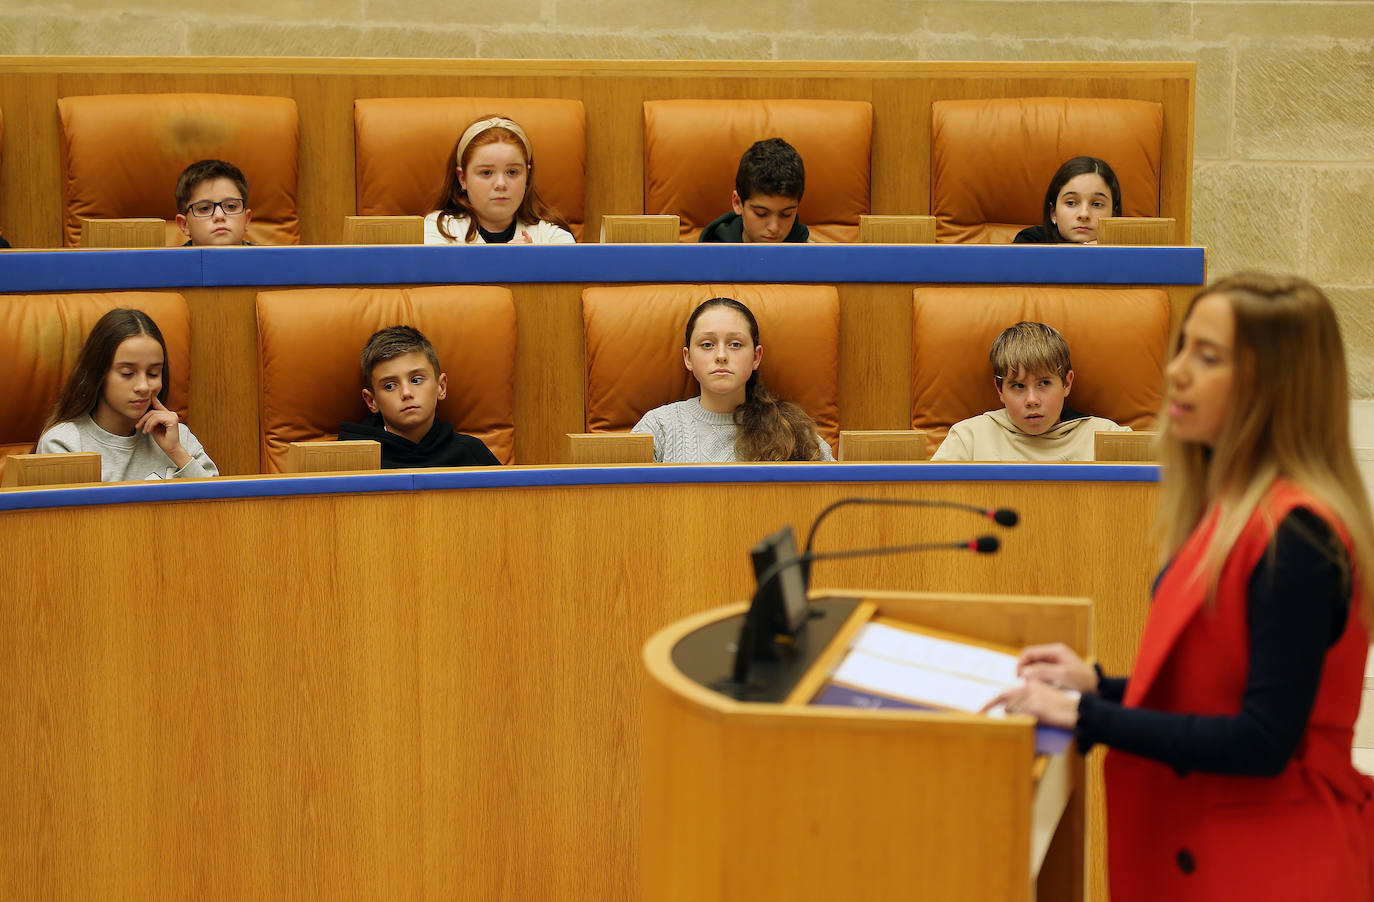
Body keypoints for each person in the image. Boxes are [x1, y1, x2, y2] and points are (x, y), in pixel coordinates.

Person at [988, 273, 1374, 902]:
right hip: (1213, 846)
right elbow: (1213, 693)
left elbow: (1263, 739)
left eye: (1208, 357)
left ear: (1273, 387)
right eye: (1183, 348)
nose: (1178, 373)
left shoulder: (1296, 534)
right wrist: (1099, 684)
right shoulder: (1229, 508)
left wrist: (1089, 716)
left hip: (1277, 864)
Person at [632, 297, 833, 463]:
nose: (721, 355)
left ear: (756, 357)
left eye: (735, 344)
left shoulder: (790, 427)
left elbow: (833, 492)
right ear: (688, 358)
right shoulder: (659, 427)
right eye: (707, 344)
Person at [36, 308, 217, 481]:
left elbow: (220, 507)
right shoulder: (64, 444)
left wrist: (176, 452)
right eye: (127, 374)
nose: (143, 386)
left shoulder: (177, 436)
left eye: (153, 374)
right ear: (98, 374)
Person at [931, 321, 1128, 461]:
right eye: (1018, 386)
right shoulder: (968, 439)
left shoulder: (1108, 438)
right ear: (1000, 389)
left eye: (1044, 383)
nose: (1032, 400)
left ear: (1066, 384)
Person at [338, 325, 500, 468]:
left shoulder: (472, 453)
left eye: (416, 380)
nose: (407, 393)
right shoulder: (347, 457)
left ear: (441, 387)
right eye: (390, 386)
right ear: (371, 401)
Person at [424, 115, 574, 246]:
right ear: (462, 178)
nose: (501, 184)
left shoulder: (551, 235)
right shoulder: (440, 229)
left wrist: (533, 261)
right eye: (486, 172)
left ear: (527, 175)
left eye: (512, 172)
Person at [698, 138, 809, 244]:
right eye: (761, 213)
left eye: (786, 214)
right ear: (737, 203)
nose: (773, 228)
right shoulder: (711, 254)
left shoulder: (812, 255)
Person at [1013, 155, 1122, 245]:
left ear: (1114, 214)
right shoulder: (1030, 241)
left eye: (1097, 204)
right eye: (1071, 203)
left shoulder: (1129, 249)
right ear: (1053, 212)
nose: (1084, 214)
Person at [175, 159, 253, 247]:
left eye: (231, 206)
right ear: (185, 225)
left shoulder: (269, 259)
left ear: (246, 220)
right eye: (204, 208)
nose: (219, 216)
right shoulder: (168, 261)